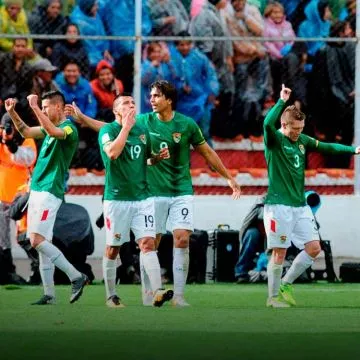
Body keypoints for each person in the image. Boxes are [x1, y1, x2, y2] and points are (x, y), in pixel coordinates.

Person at [65, 80, 242, 306]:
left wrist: (228, 177)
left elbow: (207, 151)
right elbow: (112, 127)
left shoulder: (186, 124)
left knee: (181, 239)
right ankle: (146, 293)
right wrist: (83, 120)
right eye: (150, 96)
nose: (151, 100)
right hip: (151, 193)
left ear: (169, 100)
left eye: (157, 96)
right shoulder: (142, 122)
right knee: (148, 243)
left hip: (181, 191)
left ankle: (177, 295)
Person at [263, 84, 360, 308]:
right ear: (284, 125)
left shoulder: (302, 141)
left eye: (301, 128)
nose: (299, 133)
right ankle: (272, 297)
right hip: (278, 205)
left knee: (314, 248)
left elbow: (327, 147)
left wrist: (351, 150)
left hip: (300, 204)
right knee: (279, 252)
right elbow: (267, 123)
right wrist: (281, 101)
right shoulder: (274, 140)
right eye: (295, 129)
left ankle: (286, 283)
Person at [5, 91, 88, 305]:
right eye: (40, 107)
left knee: (35, 240)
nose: (42, 110)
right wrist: (12, 112)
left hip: (50, 190)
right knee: (43, 242)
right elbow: (25, 131)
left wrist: (33, 107)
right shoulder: (48, 129)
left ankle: (76, 276)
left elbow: (53, 130)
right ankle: (49, 294)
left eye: (45, 107)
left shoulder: (68, 128)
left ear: (58, 107)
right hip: (38, 189)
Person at [98, 94, 173, 308]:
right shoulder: (108, 131)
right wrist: (126, 128)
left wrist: (157, 158)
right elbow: (112, 153)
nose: (131, 105)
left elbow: (145, 159)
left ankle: (157, 291)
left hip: (142, 198)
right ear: (116, 111)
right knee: (113, 248)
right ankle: (111, 295)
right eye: (125, 103)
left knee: (148, 243)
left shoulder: (142, 132)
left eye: (132, 102)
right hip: (117, 199)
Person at [0, 112, 37, 284]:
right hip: (1, 198)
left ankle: (37, 270)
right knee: (2, 239)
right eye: (3, 128)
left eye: (9, 128)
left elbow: (27, 159)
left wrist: (11, 144)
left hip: (21, 200)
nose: (7, 131)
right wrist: (4, 141)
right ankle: (7, 271)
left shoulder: (26, 139)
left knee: (26, 237)